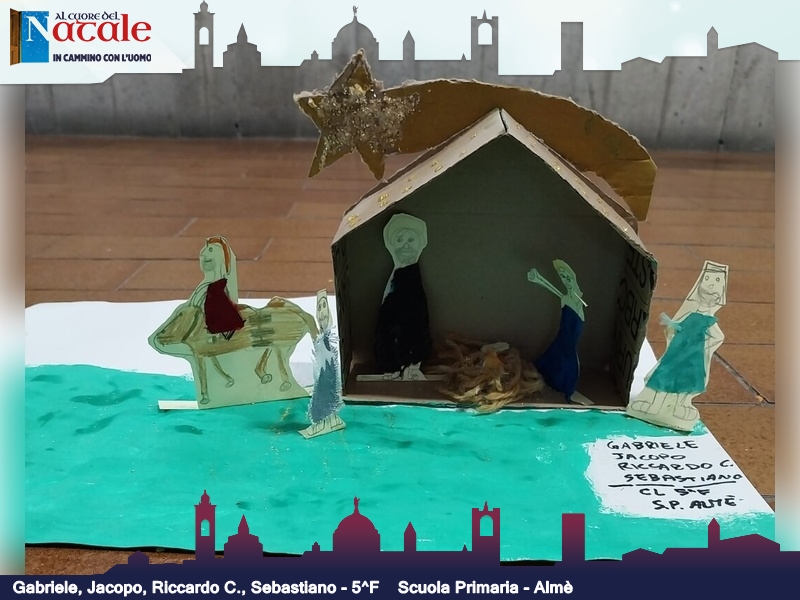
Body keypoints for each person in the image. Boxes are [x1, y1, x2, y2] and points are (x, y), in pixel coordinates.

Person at [627, 261, 727, 429]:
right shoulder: (691, 314)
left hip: (690, 358)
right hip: (677, 353)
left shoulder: (708, 320)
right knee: (664, 376)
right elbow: (675, 327)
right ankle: (655, 406)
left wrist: (702, 348)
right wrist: (674, 332)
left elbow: (718, 336)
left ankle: (674, 408)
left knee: (682, 382)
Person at [374, 213, 433, 379]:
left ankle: (409, 364)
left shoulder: (411, 282)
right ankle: (394, 365)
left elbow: (417, 326)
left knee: (414, 323)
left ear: (421, 243)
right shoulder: (396, 279)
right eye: (399, 240)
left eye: (411, 240)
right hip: (393, 352)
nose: (405, 245)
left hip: (410, 352)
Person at [527, 260, 587, 402]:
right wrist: (537, 279)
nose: (565, 280)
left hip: (571, 334)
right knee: (553, 358)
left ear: (573, 277)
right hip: (563, 333)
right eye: (562, 277)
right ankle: (550, 384)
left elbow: (577, 319)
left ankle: (565, 389)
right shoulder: (565, 298)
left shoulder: (577, 300)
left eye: (567, 277)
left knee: (567, 362)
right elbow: (555, 292)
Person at [188, 236, 245, 342]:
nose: (203, 254)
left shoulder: (216, 288)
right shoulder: (208, 287)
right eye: (206, 249)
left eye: (210, 250)